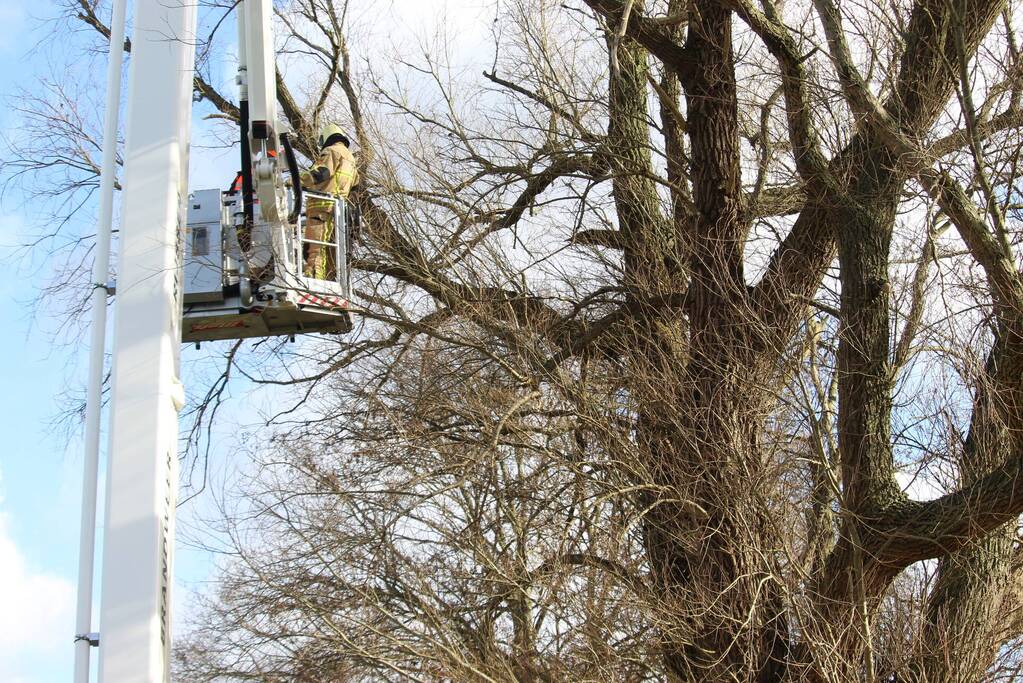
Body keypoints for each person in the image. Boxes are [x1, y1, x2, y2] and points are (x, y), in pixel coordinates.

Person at [300, 124, 359, 279]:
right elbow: (355, 188)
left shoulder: (331, 151)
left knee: (314, 249)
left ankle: (314, 279)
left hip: (321, 209)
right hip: (339, 212)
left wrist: (296, 180)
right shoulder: (351, 160)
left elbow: (322, 172)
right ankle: (328, 280)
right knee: (331, 252)